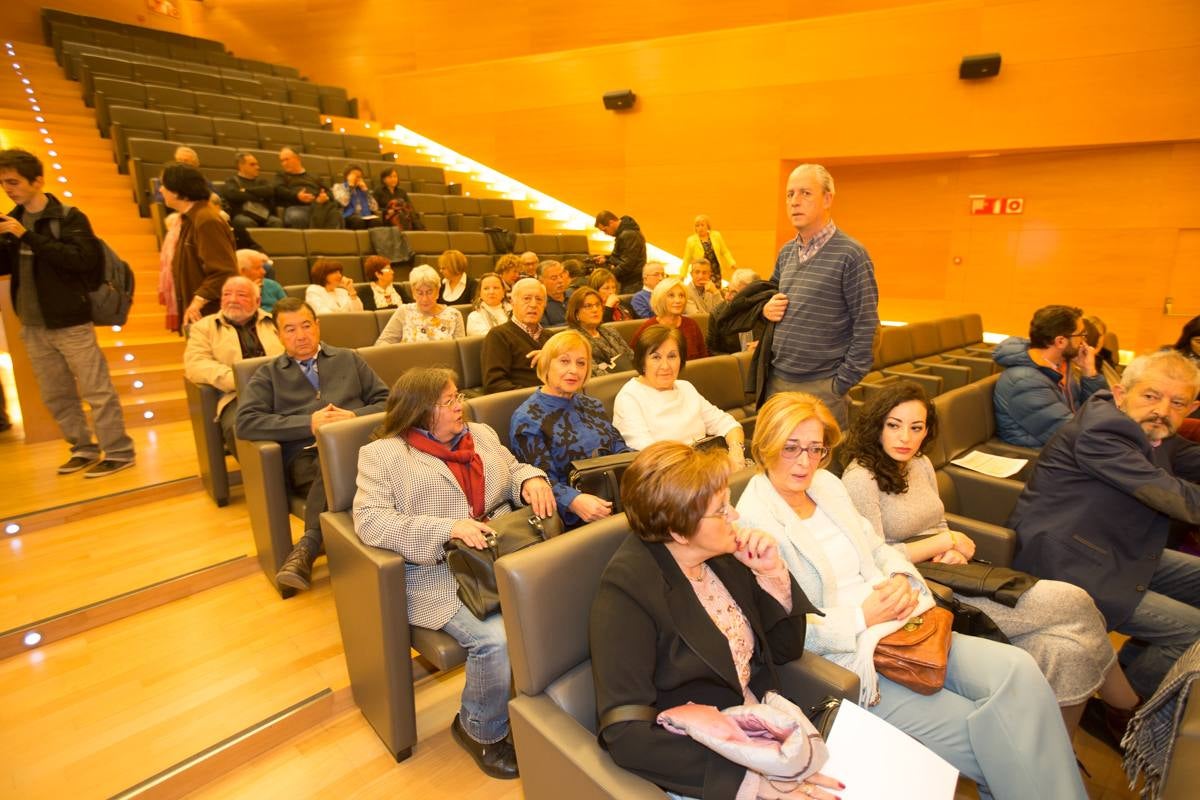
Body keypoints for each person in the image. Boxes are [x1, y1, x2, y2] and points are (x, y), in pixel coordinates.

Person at [735, 392, 1088, 800]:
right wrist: (861, 617)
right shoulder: (754, 523)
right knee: (993, 734)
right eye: (791, 448)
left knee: (1019, 670)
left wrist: (902, 578)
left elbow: (878, 548)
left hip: (907, 623)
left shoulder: (827, 485)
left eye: (816, 448)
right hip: (857, 655)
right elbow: (777, 627)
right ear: (764, 447)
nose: (805, 462)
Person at [839, 381, 1139, 734]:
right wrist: (943, 542)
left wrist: (948, 545)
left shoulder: (918, 464)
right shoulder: (861, 477)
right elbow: (874, 559)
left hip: (952, 571)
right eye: (894, 424)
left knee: (1067, 651)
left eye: (916, 427)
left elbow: (936, 521)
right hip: (921, 592)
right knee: (1075, 600)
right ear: (877, 424)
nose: (905, 436)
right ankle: (1130, 711)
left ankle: (1057, 748)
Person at [590, 441, 840, 800]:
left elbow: (786, 650)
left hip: (756, 730)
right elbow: (625, 733)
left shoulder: (721, 557)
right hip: (701, 762)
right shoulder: (627, 592)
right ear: (679, 530)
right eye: (721, 510)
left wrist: (772, 574)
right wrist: (754, 782)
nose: (735, 517)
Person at [353, 366, 554, 779]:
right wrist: (447, 528)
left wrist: (530, 480)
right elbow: (370, 521)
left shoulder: (480, 435)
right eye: (449, 401)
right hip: (436, 571)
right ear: (422, 410)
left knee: (564, 601)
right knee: (495, 641)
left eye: (458, 396)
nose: (460, 405)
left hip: (500, 554)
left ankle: (545, 708)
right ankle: (479, 729)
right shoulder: (383, 455)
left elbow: (513, 469)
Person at [1010, 350, 1200, 703]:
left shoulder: (1152, 428)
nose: (1162, 409)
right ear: (1120, 394)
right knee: (1192, 632)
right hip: (1071, 560)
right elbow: (1174, 496)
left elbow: (1191, 460)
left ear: (1191, 409)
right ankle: (1125, 707)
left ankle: (1128, 669)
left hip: (1119, 550)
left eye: (1177, 403)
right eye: (1151, 395)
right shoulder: (1102, 432)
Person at [0, 147, 136, 477]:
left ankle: (118, 451)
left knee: (96, 390)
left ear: (38, 180)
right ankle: (83, 448)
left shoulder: (69, 217)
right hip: (33, 324)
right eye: (4, 183)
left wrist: (28, 236)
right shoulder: (11, 221)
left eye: (14, 181)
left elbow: (81, 261)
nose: (8, 188)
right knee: (56, 395)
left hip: (71, 320)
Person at [237, 297, 389, 591]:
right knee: (335, 466)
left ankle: (308, 545)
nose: (301, 335)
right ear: (278, 335)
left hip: (359, 448)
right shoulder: (268, 374)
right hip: (307, 458)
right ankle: (317, 544)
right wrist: (309, 423)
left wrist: (353, 415)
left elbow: (387, 401)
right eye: (290, 329)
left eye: (306, 326)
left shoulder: (348, 358)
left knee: (356, 463)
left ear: (317, 326)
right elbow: (245, 422)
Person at [761, 164, 878, 429]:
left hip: (824, 388)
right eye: (790, 194)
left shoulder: (851, 255)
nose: (795, 202)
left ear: (827, 199)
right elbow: (769, 296)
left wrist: (840, 384)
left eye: (805, 193)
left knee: (823, 467)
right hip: (778, 381)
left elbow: (867, 326)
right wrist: (766, 308)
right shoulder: (786, 252)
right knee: (778, 464)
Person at [509, 330, 631, 527]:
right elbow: (540, 480)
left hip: (617, 497)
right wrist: (574, 501)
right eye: (564, 361)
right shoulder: (527, 418)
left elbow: (618, 448)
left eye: (581, 363)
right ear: (547, 364)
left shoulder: (593, 405)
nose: (574, 370)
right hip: (571, 516)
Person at [614, 325, 745, 468]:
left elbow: (727, 424)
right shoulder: (629, 397)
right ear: (642, 361)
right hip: (667, 476)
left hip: (705, 466)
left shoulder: (685, 387)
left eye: (672, 356)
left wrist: (736, 451)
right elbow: (649, 455)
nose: (665, 366)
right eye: (656, 357)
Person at [184, 276, 284, 455]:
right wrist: (236, 380)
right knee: (239, 427)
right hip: (236, 396)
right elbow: (196, 364)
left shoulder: (276, 322)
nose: (232, 300)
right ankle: (266, 478)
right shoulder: (204, 327)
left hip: (283, 390)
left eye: (241, 295)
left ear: (258, 300)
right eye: (227, 294)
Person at [992, 304, 1107, 447]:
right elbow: (1070, 436)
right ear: (1060, 341)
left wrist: (1089, 373)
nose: (1084, 342)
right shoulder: (1025, 383)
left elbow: (1098, 412)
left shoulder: (1059, 365)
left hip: (1068, 447)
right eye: (1081, 335)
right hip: (1042, 457)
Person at [162, 162, 238, 332]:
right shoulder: (190, 219)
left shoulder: (206, 220)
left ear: (176, 191)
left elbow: (224, 271)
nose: (160, 191)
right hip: (202, 317)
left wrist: (198, 301)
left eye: (164, 186)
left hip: (211, 317)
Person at [482, 278, 553, 393]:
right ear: (512, 302)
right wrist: (539, 395)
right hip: (523, 403)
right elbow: (494, 384)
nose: (534, 304)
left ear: (545, 305)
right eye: (527, 299)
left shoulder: (551, 338)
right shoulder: (498, 335)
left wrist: (551, 359)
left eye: (539, 299)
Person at [375, 265, 465, 344]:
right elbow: (383, 343)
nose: (424, 299)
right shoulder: (404, 311)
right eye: (419, 293)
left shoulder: (454, 315)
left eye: (429, 292)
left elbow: (459, 351)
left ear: (438, 291)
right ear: (413, 292)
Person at [631, 276, 709, 360]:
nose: (678, 300)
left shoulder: (692, 324)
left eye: (681, 296)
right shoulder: (648, 328)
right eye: (671, 296)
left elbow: (703, 358)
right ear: (660, 299)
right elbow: (633, 359)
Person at [566, 287, 634, 375]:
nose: (595, 309)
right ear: (576, 313)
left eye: (598, 305)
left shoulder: (610, 331)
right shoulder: (573, 339)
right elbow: (592, 373)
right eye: (588, 306)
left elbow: (631, 357)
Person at [275, 147, 341, 230]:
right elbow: (279, 190)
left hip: (318, 206)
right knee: (296, 216)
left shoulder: (314, 177)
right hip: (297, 206)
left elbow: (329, 193)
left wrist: (324, 197)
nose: (284, 163)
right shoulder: (282, 176)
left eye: (286, 160)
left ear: (297, 159)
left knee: (336, 214)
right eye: (282, 161)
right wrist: (297, 196)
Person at [707, 268, 768, 355]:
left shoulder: (767, 310)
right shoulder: (717, 315)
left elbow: (780, 342)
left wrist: (764, 346)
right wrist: (736, 360)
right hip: (730, 366)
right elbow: (711, 350)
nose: (727, 297)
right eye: (727, 290)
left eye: (734, 293)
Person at [220, 152, 282, 232]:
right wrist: (259, 197)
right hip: (242, 215)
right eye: (252, 164)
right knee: (245, 222)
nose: (257, 167)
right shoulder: (232, 181)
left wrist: (245, 190)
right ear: (241, 166)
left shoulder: (262, 181)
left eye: (257, 164)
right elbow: (233, 195)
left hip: (264, 215)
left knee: (276, 222)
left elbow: (269, 191)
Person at [594, 210, 647, 293]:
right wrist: (607, 258)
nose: (605, 233)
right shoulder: (626, 232)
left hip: (632, 283)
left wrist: (609, 276)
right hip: (631, 282)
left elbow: (627, 264)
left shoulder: (628, 234)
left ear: (611, 222)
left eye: (605, 230)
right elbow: (623, 256)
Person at [680, 214, 736, 284]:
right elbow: (686, 259)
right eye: (697, 226)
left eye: (702, 225)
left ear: (707, 226)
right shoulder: (691, 240)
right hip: (701, 273)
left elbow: (725, 251)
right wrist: (682, 275)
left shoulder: (716, 235)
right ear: (695, 228)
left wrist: (731, 262)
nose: (700, 228)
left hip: (716, 271)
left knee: (715, 292)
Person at [331, 165, 382, 230]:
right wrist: (350, 187)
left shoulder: (362, 189)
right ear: (347, 176)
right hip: (348, 216)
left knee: (377, 222)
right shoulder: (338, 187)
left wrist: (366, 192)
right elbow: (343, 203)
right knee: (358, 222)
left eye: (359, 177)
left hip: (365, 215)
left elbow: (375, 208)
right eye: (355, 176)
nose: (357, 178)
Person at [236, 249, 285, 313]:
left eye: (262, 267)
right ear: (242, 272)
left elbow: (289, 310)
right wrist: (253, 295)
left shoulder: (272, 285)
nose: (264, 272)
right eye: (257, 268)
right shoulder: (231, 292)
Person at [465, 272, 511, 337]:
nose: (491, 292)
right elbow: (489, 339)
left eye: (496, 288)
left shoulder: (515, 312)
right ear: (480, 293)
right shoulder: (474, 317)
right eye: (486, 288)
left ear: (503, 291)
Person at [537, 259, 571, 326]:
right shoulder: (539, 303)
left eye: (561, 276)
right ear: (541, 281)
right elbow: (545, 331)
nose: (560, 280)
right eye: (554, 278)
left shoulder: (574, 295)